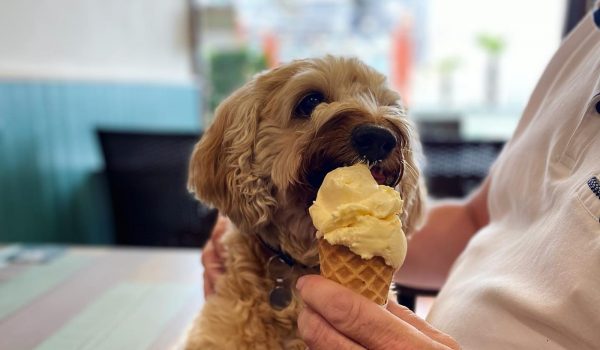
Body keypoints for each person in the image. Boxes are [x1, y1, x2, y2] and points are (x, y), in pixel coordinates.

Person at [201, 4, 600, 349]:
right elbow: (479, 221)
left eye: (388, 108)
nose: (376, 132)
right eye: (310, 103)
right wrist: (255, 215)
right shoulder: (586, 42)